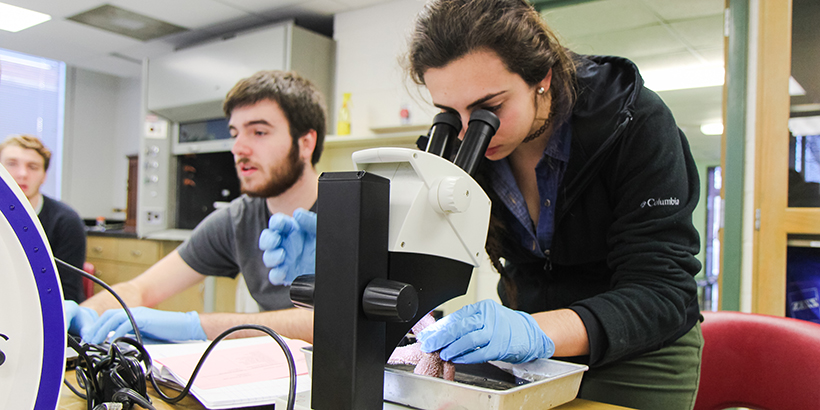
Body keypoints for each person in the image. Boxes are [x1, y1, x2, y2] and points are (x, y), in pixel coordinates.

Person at [262, 1, 703, 409]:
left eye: (489, 108)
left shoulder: (634, 124)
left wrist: (535, 332)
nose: (473, 131)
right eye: (449, 112)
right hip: (525, 348)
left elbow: (661, 292)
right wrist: (346, 259)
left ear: (542, 78)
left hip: (639, 346)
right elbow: (418, 267)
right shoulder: (456, 145)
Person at [67, 70, 323, 344]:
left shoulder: (353, 215)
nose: (239, 147)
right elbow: (140, 289)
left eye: (259, 132)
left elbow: (330, 324)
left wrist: (195, 326)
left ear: (306, 143)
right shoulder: (237, 220)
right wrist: (86, 313)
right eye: (235, 133)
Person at [0, 134, 87, 303]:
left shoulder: (66, 221)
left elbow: (67, 295)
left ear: (44, 176)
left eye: (33, 167)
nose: (22, 174)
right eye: (11, 164)